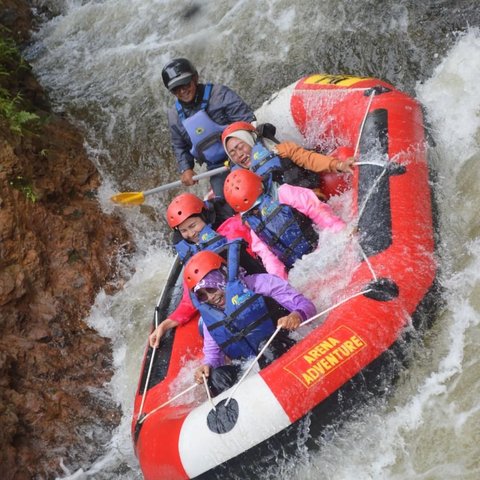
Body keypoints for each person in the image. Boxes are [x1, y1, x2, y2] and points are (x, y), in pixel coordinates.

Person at [184, 247, 317, 396]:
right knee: (216, 377)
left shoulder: (261, 283)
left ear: (224, 276)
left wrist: (295, 316)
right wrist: (207, 367)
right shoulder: (210, 318)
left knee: (267, 348)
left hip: (285, 344)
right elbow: (213, 357)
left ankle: (293, 393)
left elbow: (306, 306)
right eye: (202, 296)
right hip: (250, 368)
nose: (210, 298)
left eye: (211, 289)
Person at [148, 193, 265, 348]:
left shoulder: (232, 228)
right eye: (184, 231)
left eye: (193, 225)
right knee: (205, 323)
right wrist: (164, 325)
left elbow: (260, 255)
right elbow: (188, 301)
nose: (191, 234)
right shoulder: (192, 257)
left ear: (204, 216)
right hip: (227, 303)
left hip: (252, 288)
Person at [224, 169, 346, 279]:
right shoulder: (255, 230)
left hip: (324, 245)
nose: (259, 211)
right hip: (302, 268)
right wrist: (282, 284)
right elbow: (270, 260)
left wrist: (340, 231)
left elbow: (316, 210)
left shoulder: (285, 193)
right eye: (253, 210)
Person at [162, 58, 256, 197]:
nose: (183, 90)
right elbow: (179, 146)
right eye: (176, 89)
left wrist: (245, 153)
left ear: (195, 78)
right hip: (217, 167)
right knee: (224, 201)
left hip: (243, 153)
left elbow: (247, 120)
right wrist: (186, 168)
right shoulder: (174, 116)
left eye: (185, 83)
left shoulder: (219, 94)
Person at [221, 121, 354, 194]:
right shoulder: (243, 180)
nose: (239, 155)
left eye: (240, 147)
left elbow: (309, 159)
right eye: (232, 153)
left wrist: (339, 165)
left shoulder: (282, 150)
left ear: (251, 141)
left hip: (312, 200)